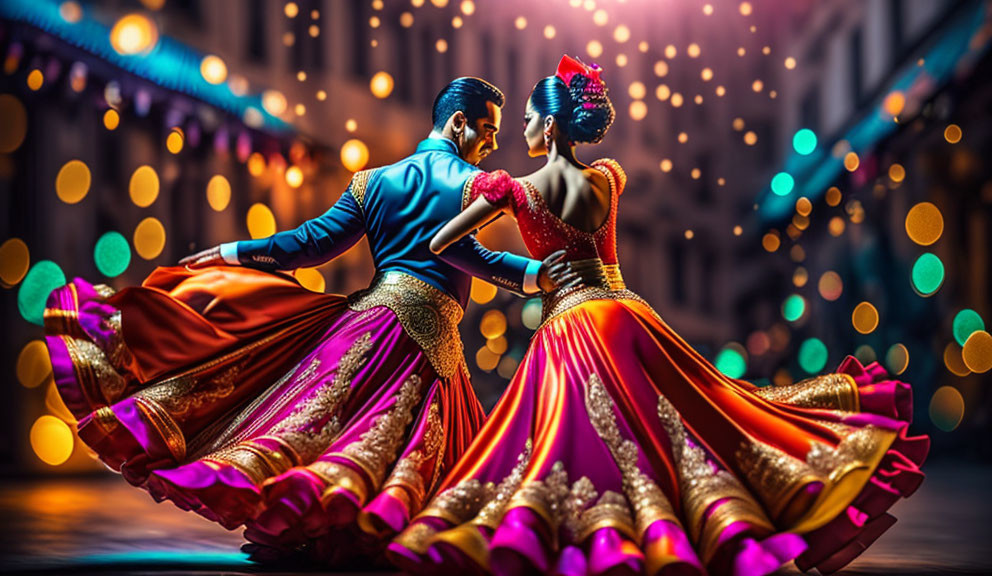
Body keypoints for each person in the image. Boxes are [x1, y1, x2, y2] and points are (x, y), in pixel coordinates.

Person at [387, 56, 929, 576]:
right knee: (695, 418)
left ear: (549, 126)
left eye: (527, 121)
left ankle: (612, 533)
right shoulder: (608, 178)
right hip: (627, 313)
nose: (520, 131)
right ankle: (710, 513)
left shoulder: (517, 190)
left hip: (570, 323)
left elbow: (441, 242)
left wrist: (528, 273)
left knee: (581, 440)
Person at [43, 77, 568, 566]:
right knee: (390, 452)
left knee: (325, 437)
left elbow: (307, 244)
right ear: (459, 124)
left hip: (371, 324)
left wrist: (229, 252)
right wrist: (533, 274)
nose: (493, 142)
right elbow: (461, 252)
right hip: (417, 343)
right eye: (488, 130)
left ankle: (330, 526)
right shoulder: (476, 185)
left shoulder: (373, 182)